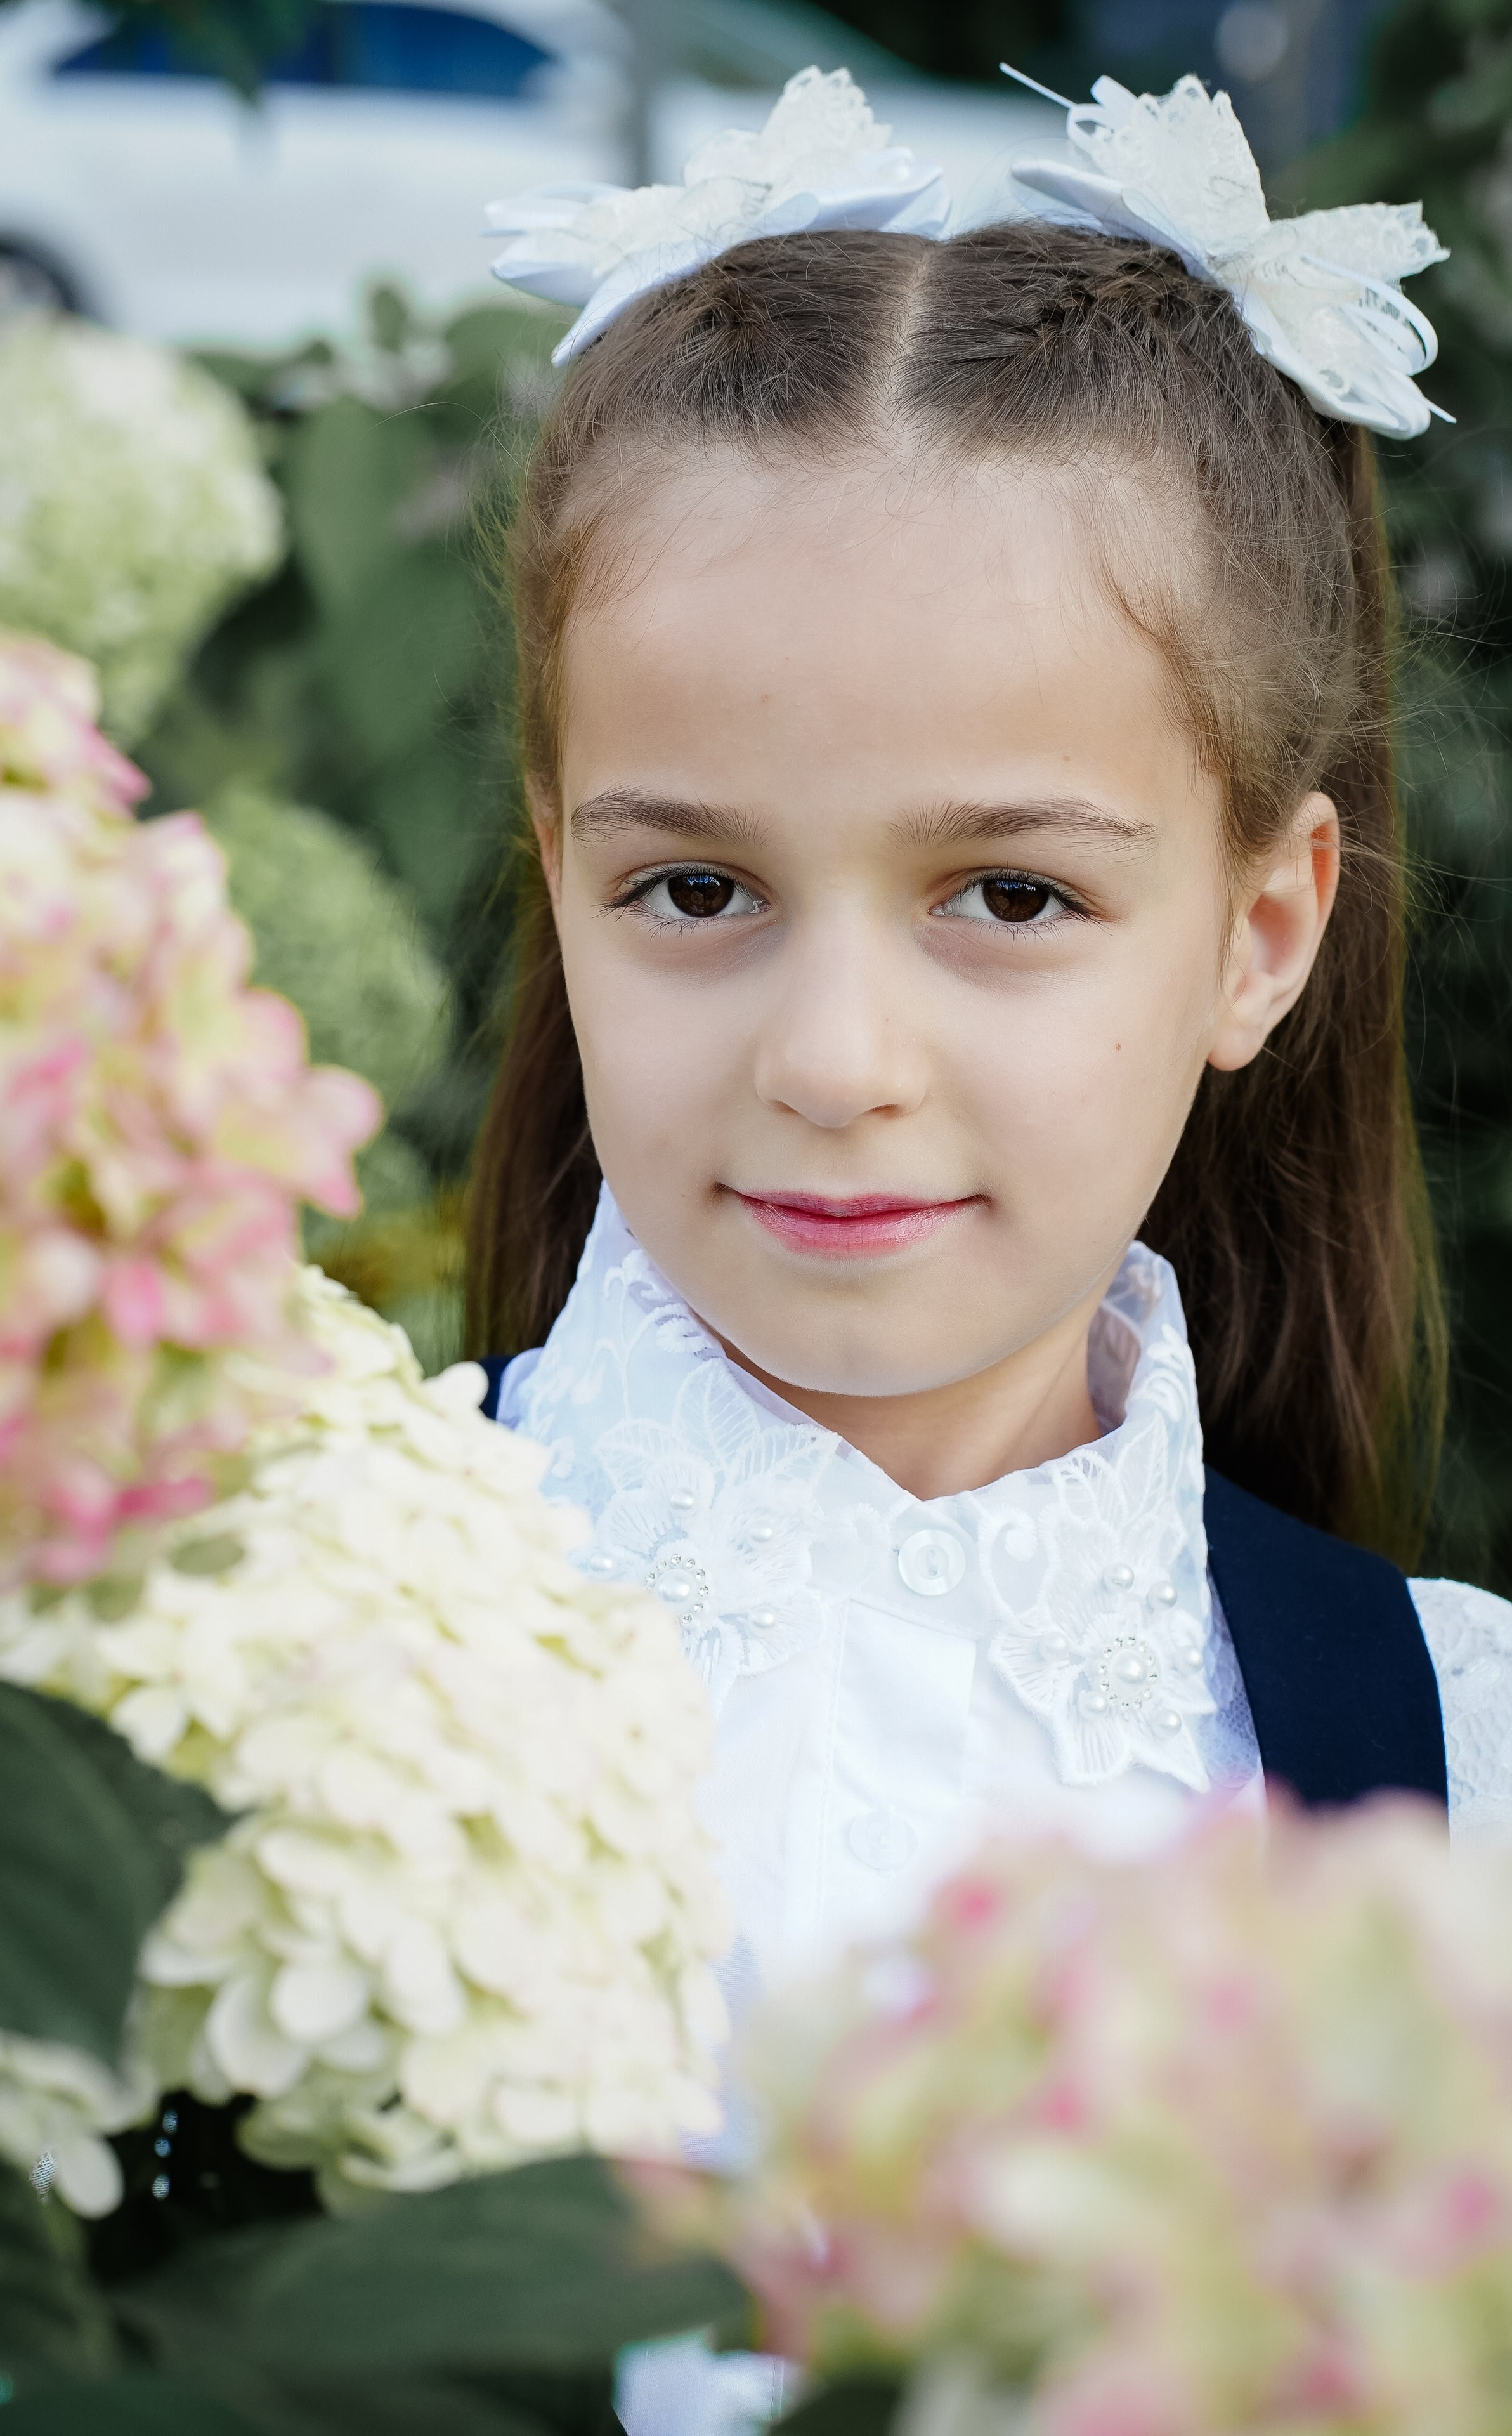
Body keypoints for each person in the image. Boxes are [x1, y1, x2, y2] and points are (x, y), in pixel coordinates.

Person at [469, 65, 1512, 2432]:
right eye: (696, 888)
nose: (838, 1056)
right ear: (561, 876)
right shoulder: (260, 1674)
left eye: (1011, 897)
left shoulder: (1449, 1768)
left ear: (1262, 933)